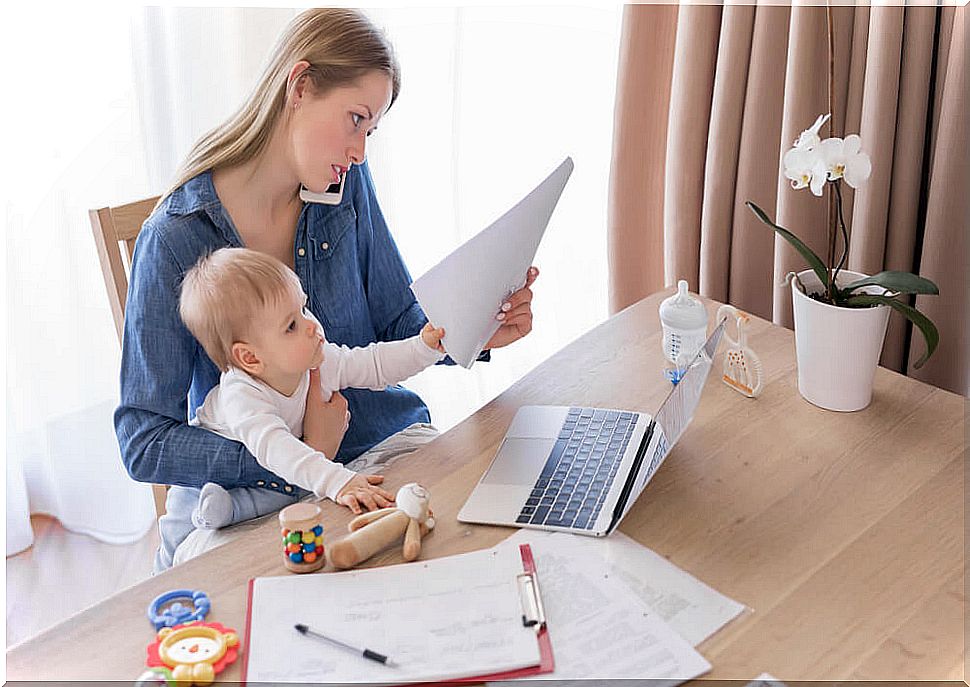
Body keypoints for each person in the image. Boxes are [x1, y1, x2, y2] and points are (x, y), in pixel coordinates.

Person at [115, 8, 539, 572]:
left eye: (371, 130)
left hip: (386, 450)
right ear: (300, 85)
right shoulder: (176, 237)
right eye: (355, 119)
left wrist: (478, 327)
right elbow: (144, 441)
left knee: (490, 548)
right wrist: (300, 455)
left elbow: (397, 324)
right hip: (256, 497)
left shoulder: (344, 186)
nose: (360, 151)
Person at [178, 246, 446, 532]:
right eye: (292, 325)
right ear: (251, 358)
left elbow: (374, 364)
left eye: (303, 309)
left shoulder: (316, 359)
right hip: (213, 480)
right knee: (251, 495)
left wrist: (423, 347)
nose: (312, 326)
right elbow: (276, 449)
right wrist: (338, 482)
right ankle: (220, 511)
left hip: (279, 472)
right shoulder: (241, 394)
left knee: (285, 490)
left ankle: (232, 508)